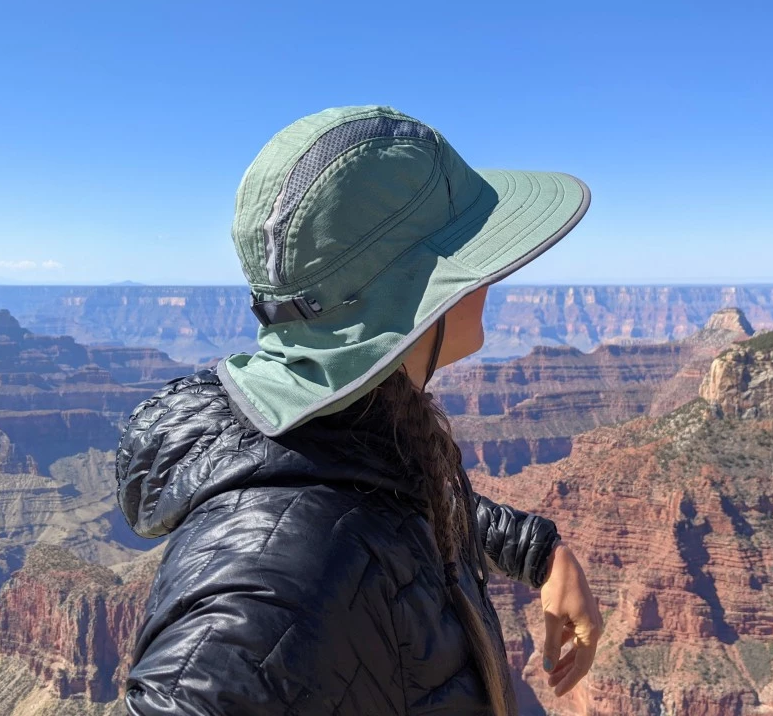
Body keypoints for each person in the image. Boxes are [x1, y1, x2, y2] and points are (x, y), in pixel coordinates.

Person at [116, 105, 603, 716]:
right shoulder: (275, 579)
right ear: (411, 297)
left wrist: (538, 551)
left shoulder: (337, 431)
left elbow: (389, 501)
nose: (491, 281)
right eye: (473, 259)